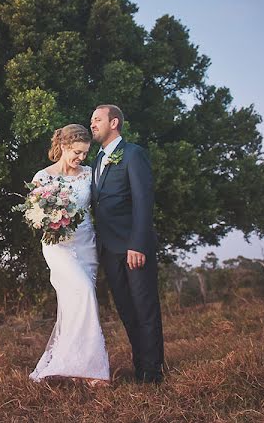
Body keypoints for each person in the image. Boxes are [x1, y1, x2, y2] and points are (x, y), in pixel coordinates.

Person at [29, 124, 110, 385]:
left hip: (86, 243)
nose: (81, 158)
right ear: (64, 147)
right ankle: (93, 371)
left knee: (74, 302)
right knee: (84, 291)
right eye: (77, 152)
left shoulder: (88, 174)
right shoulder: (43, 177)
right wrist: (51, 218)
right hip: (58, 246)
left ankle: (75, 364)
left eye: (85, 153)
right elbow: (34, 217)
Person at [90, 104, 165, 383]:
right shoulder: (96, 161)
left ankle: (153, 372)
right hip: (109, 250)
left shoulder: (133, 154)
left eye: (98, 119)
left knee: (144, 307)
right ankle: (140, 366)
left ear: (115, 122)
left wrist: (138, 244)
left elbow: (144, 202)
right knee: (126, 310)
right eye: (92, 120)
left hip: (133, 248)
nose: (93, 124)